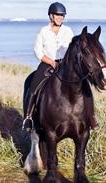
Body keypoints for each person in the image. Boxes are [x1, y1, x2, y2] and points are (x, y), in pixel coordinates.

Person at [22, 2, 73, 131]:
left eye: (62, 15)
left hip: (65, 64)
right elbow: (37, 51)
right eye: (57, 15)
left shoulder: (68, 31)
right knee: (33, 85)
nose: (60, 17)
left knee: (81, 84)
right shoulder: (43, 31)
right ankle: (28, 117)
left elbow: (72, 49)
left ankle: (89, 116)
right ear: (51, 16)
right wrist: (51, 62)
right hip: (47, 64)